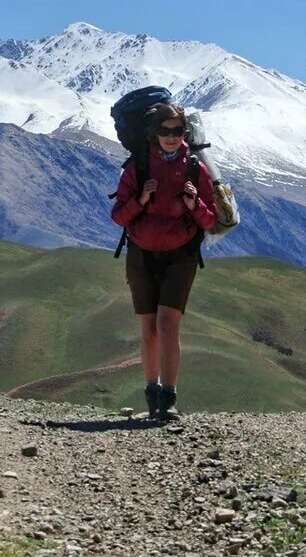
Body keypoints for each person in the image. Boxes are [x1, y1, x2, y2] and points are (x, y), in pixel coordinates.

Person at [111, 102, 217, 420]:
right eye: (164, 130)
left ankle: (169, 397)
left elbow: (210, 219)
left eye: (177, 131)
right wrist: (141, 199)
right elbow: (118, 216)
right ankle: (152, 392)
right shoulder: (138, 167)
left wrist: (194, 203)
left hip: (181, 255)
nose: (171, 137)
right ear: (153, 132)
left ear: (185, 133)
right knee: (148, 327)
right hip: (141, 252)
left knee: (168, 323)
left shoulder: (196, 169)